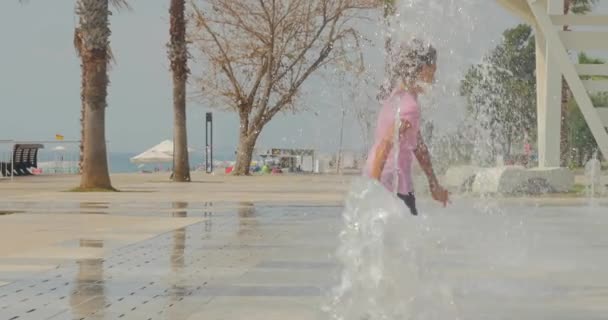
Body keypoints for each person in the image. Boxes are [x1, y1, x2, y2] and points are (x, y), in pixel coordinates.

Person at [364, 39, 449, 216]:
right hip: (390, 183)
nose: (435, 73)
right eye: (434, 67)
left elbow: (418, 146)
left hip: (383, 178)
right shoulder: (410, 107)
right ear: (424, 68)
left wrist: (434, 184)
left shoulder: (398, 96)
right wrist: (374, 190)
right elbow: (385, 145)